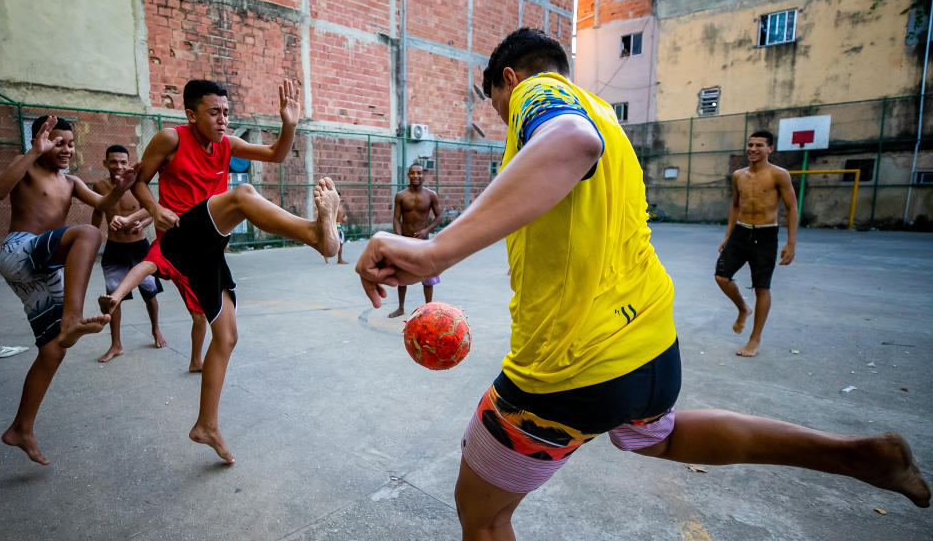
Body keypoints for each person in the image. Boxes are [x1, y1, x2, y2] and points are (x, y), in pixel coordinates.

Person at [354, 28, 930, 539]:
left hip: (571, 368)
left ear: (510, 78)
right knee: (661, 438)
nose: (505, 119)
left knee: (482, 518)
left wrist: (435, 252)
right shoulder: (607, 114)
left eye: (498, 105)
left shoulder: (542, 94)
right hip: (651, 352)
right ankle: (857, 457)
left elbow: (570, 144)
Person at [99, 78, 340, 464]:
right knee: (242, 196)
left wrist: (290, 124)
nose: (223, 119)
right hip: (182, 235)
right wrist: (154, 211)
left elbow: (277, 154)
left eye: (227, 112)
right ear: (191, 114)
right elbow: (141, 182)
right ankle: (314, 234)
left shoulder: (226, 145)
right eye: (214, 112)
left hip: (208, 249)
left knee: (226, 337)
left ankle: (205, 425)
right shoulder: (170, 139)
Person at [0, 115, 137, 465]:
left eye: (71, 144)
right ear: (41, 141)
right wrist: (31, 152)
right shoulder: (26, 169)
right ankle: (72, 319)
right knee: (88, 233)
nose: (66, 149)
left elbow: (101, 205)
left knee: (53, 351)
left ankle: (21, 429)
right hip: (18, 250)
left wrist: (121, 186)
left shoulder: (70, 182)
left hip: (42, 269)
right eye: (58, 143)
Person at [715, 131, 797, 357]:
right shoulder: (738, 176)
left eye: (759, 145)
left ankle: (754, 339)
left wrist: (791, 243)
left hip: (766, 235)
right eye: (750, 145)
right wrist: (728, 235)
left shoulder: (779, 175)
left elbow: (791, 208)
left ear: (770, 149)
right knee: (721, 276)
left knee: (762, 287)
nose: (752, 149)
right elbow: (734, 206)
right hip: (740, 232)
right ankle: (742, 308)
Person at [91, 144, 166, 362]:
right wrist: (93, 239)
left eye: (123, 162)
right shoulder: (99, 186)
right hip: (114, 249)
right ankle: (116, 344)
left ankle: (156, 330)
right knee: (113, 299)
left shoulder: (138, 186)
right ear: (105, 163)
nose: (119, 166)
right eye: (113, 161)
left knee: (150, 294)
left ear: (129, 162)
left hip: (139, 248)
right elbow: (96, 216)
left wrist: (141, 224)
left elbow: (152, 211)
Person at [387, 163, 443, 318]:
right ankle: (400, 308)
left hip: (424, 242)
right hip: (405, 241)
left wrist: (426, 230)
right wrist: (399, 238)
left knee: (427, 277)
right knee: (401, 276)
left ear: (423, 174)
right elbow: (396, 219)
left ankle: (428, 309)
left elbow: (440, 216)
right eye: (412, 173)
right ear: (408, 175)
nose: (416, 176)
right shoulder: (400, 195)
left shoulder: (431, 195)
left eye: (419, 173)